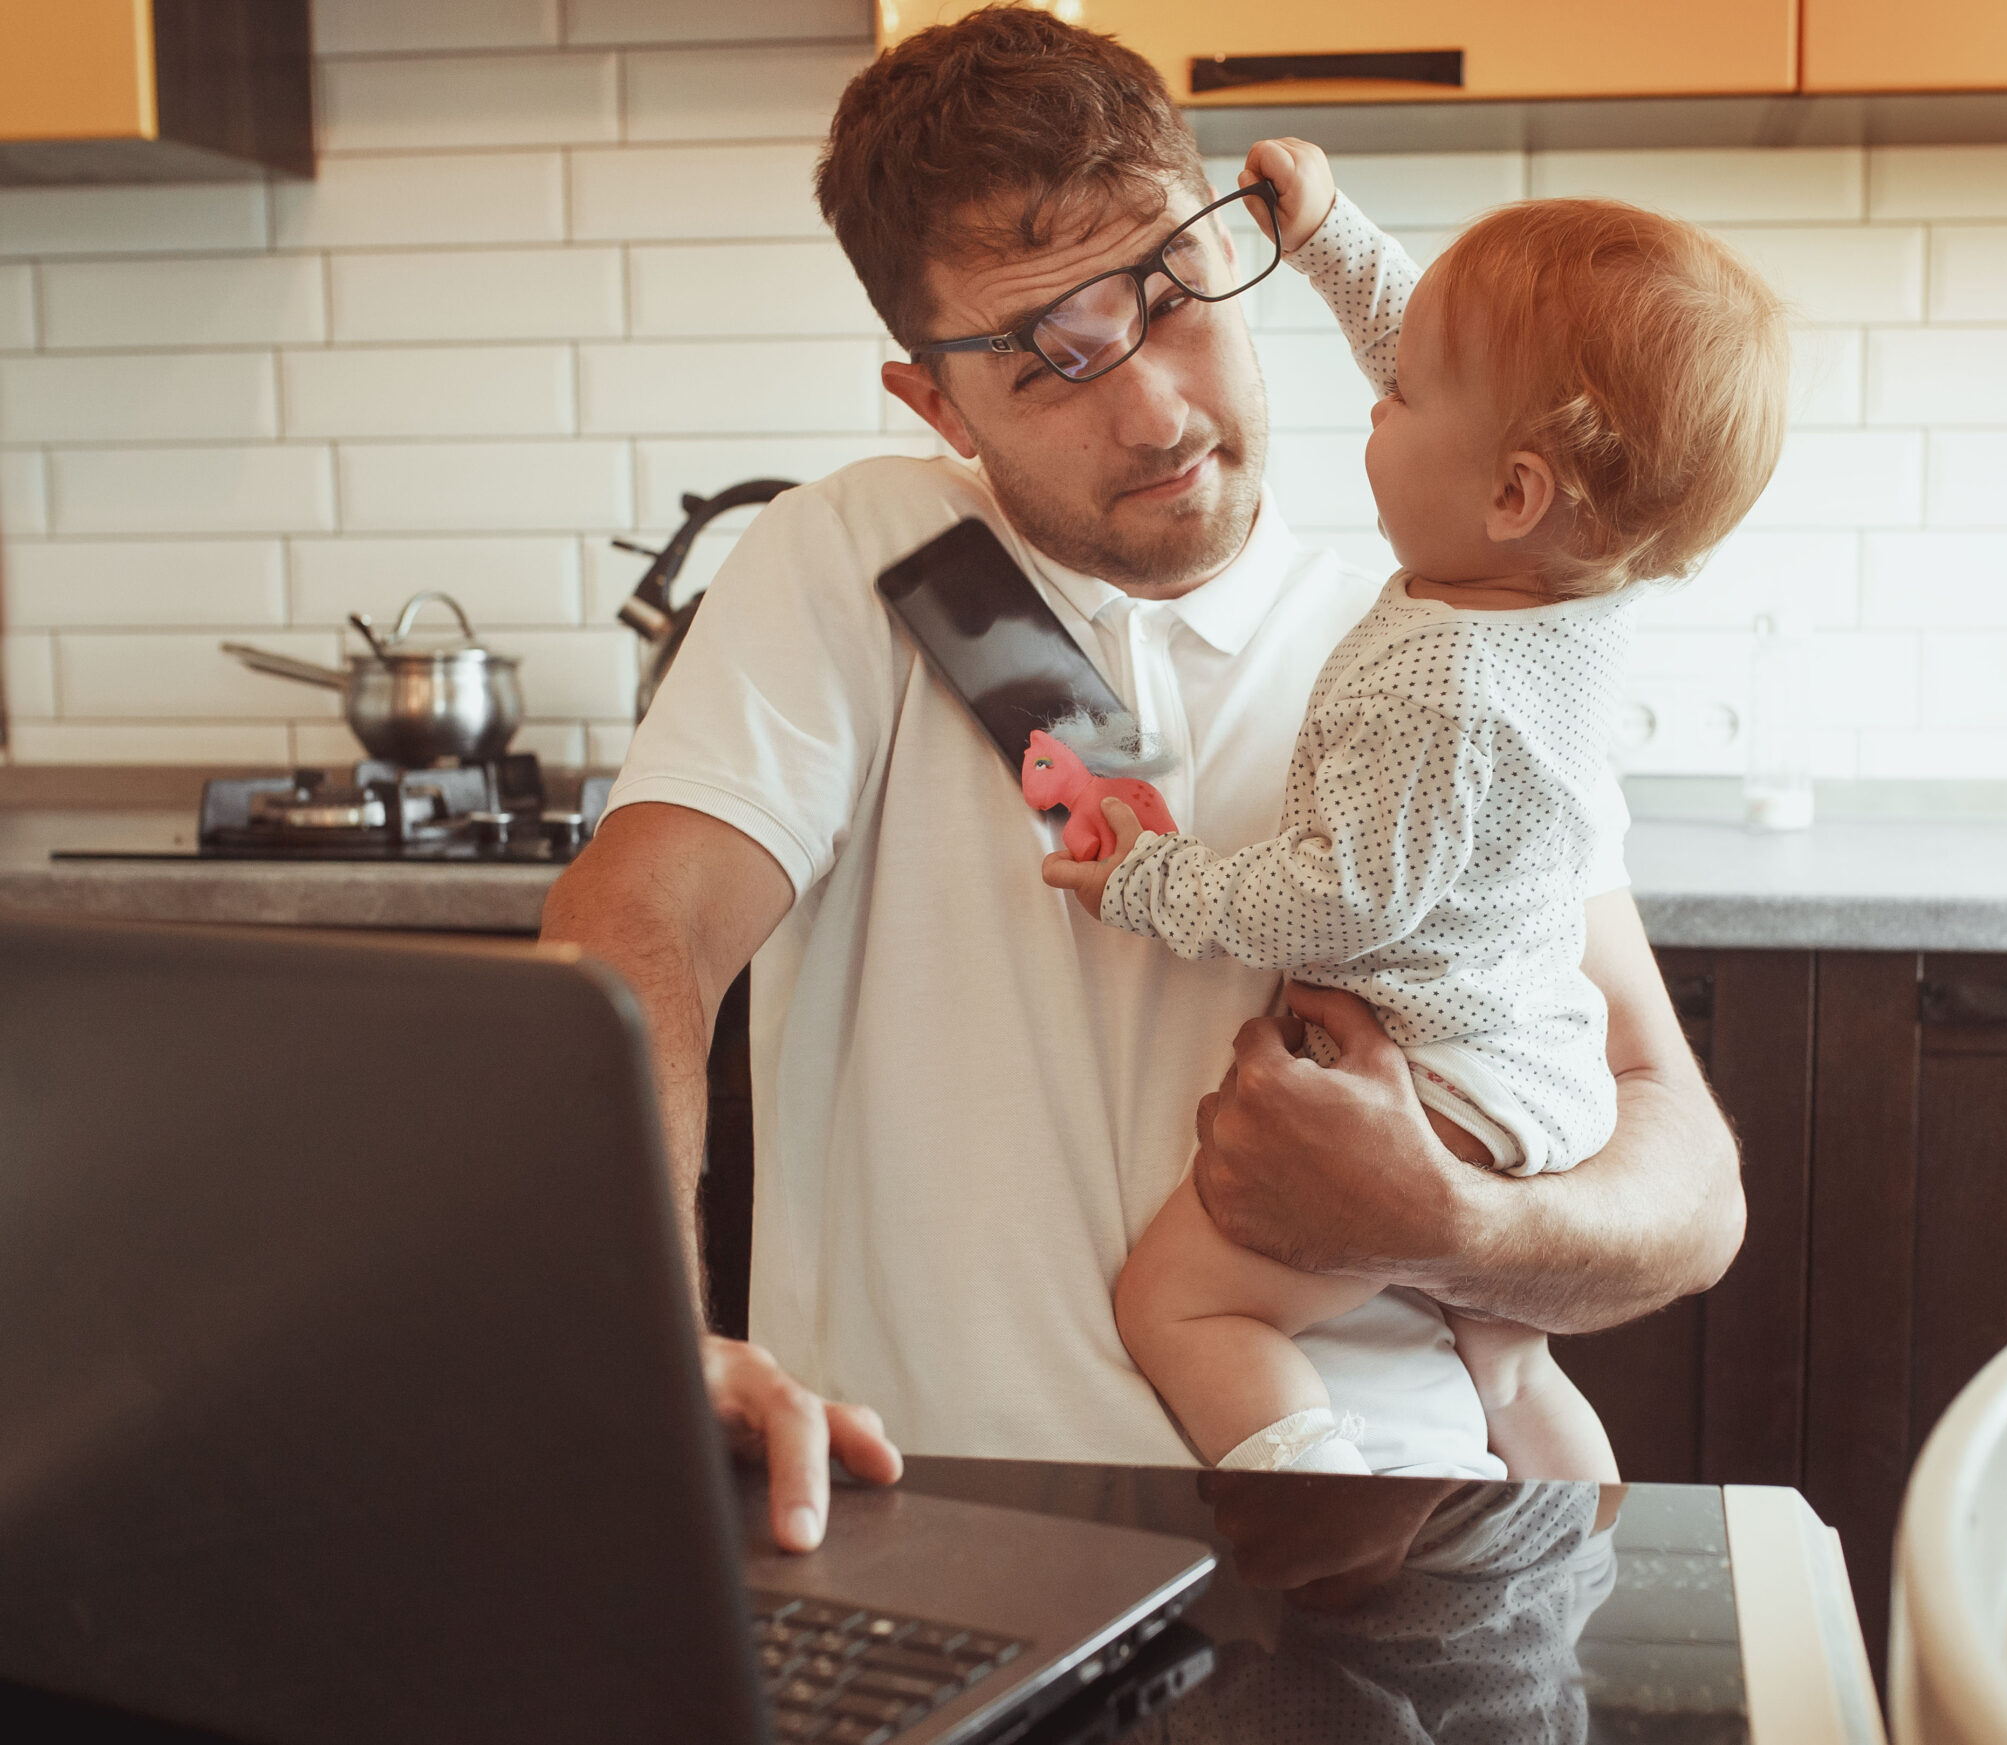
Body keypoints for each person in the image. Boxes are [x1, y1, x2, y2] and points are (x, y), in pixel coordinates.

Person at [537, 6, 1745, 1557]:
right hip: (953, 1530)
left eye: (1171, 297)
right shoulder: (876, 555)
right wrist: (634, 1323)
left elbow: (1684, 1185)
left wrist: (1449, 1225)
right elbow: (640, 922)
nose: (1157, 409)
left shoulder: (1452, 636)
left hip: (1399, 1542)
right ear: (935, 401)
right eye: (1048, 362)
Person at [1043, 144, 1788, 1481]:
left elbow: (1348, 894)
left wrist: (1155, 880)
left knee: (1180, 1302)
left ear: (1511, 491)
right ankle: (1577, 1536)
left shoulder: (1438, 679)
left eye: (1399, 397)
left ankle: (1325, 1517)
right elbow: (1442, 344)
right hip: (1536, 1063)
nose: (1373, 406)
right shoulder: (1576, 583)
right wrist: (1331, 237)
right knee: (1506, 1352)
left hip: (1442, 1081)